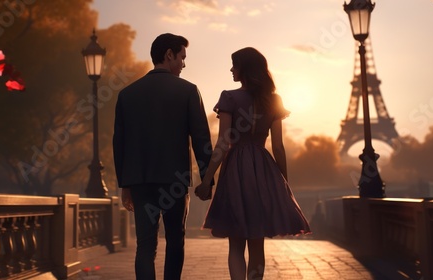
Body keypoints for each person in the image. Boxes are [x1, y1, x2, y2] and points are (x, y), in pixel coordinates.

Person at [195, 47, 311, 280]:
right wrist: (283, 182)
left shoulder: (229, 97)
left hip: (236, 169)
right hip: (263, 169)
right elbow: (278, 146)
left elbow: (223, 144)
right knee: (257, 245)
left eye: (234, 65)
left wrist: (206, 181)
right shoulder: (273, 101)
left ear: (244, 70)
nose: (231, 69)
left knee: (236, 245)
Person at [113, 33, 213, 280]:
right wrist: (207, 179)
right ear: (169, 55)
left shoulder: (127, 94)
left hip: (140, 181)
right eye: (182, 57)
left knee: (145, 246)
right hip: (174, 182)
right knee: (175, 241)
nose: (184, 64)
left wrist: (124, 184)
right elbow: (201, 139)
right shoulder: (188, 91)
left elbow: (120, 144)